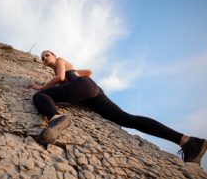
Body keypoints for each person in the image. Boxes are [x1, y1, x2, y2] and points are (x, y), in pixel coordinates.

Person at [29, 50, 207, 165]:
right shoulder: (71, 68)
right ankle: (188, 142)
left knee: (40, 97)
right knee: (127, 119)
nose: (45, 58)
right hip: (92, 91)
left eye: (47, 55)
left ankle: (56, 118)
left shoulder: (60, 61)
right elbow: (89, 72)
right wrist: (74, 75)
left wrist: (42, 87)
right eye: (43, 57)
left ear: (54, 55)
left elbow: (60, 78)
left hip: (82, 87)